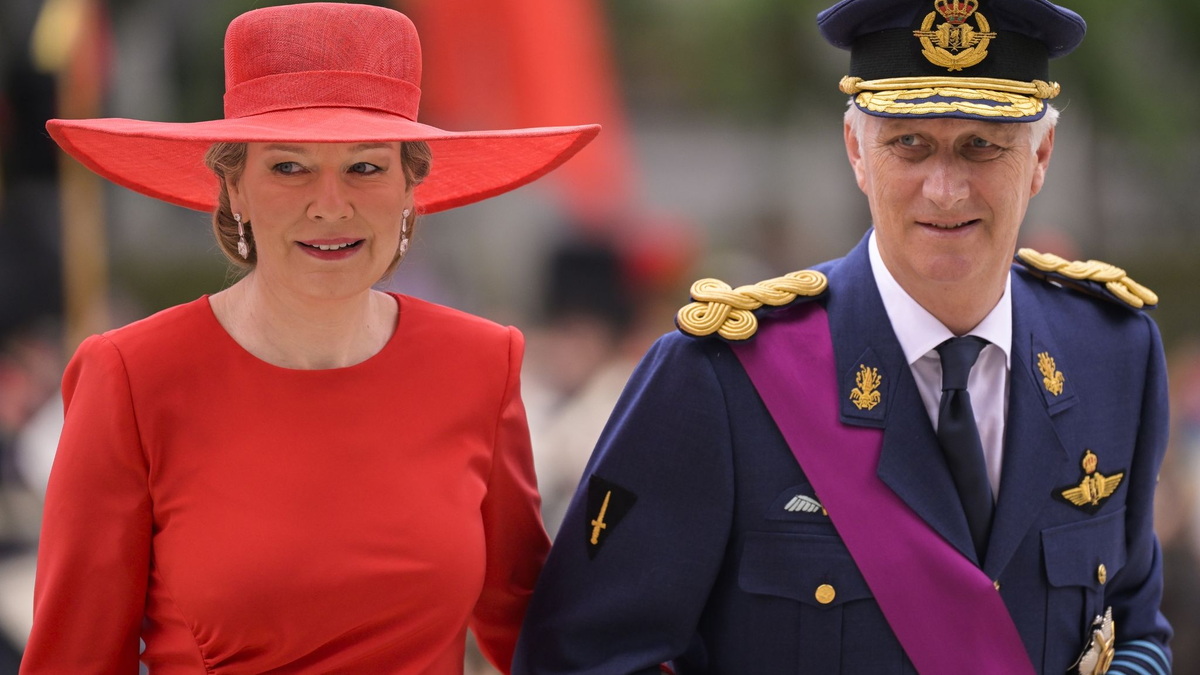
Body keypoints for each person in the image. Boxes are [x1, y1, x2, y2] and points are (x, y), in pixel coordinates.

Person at [513, 1, 1172, 674]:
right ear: (858, 151)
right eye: (908, 144)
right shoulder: (719, 376)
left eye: (982, 145)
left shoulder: (1113, 354)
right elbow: (581, 656)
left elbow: (1134, 626)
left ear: (1040, 157)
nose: (944, 189)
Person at [21, 4, 599, 674]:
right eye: (289, 167)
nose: (329, 202)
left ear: (412, 187)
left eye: (366, 167)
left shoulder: (480, 363)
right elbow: (74, 658)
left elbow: (542, 634)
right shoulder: (132, 377)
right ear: (233, 188)